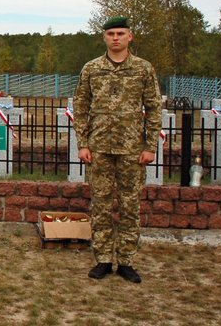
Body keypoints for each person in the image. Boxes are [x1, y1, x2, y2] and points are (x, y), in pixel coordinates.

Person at [72, 16, 162, 284]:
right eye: (111, 33)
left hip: (132, 149)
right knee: (100, 204)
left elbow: (154, 107)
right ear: (104, 37)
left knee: (130, 206)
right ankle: (102, 259)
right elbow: (80, 106)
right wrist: (83, 143)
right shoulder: (92, 69)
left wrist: (150, 145)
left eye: (120, 33)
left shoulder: (143, 69)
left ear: (130, 37)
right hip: (99, 148)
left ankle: (125, 260)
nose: (115, 38)